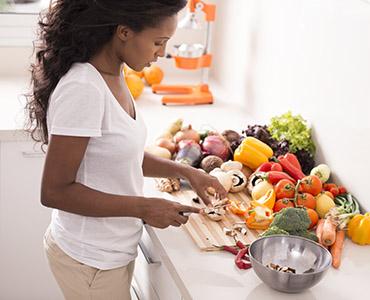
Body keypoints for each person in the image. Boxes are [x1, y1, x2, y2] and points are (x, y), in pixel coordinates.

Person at [25, 1, 227, 299]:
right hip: (89, 261)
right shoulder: (84, 88)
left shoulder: (114, 73)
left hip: (110, 252)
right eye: (158, 42)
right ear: (124, 32)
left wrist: (185, 171)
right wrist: (144, 207)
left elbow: (117, 157)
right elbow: (54, 191)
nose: (161, 53)